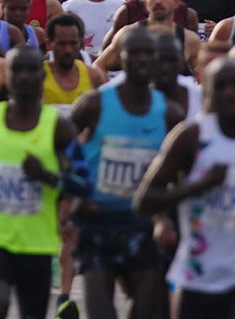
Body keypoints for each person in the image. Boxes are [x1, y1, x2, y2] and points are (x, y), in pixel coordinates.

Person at [134, 57, 235, 319]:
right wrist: (199, 185)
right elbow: (144, 200)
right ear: (206, 92)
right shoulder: (191, 137)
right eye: (220, 86)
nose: (229, 92)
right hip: (200, 275)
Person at [70, 26, 183, 319]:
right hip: (98, 221)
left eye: (149, 53)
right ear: (120, 58)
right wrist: (76, 194)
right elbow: (61, 146)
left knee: (146, 310)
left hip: (143, 225)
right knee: (101, 311)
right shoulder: (95, 104)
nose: (142, 59)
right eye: (135, 53)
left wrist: (166, 217)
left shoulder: (169, 113)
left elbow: (178, 172)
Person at [0, 46, 77, 319]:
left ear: (42, 76)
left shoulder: (58, 127)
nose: (24, 76)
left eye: (31, 70)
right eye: (17, 70)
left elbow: (81, 183)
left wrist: (46, 176)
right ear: (7, 77)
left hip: (38, 244)